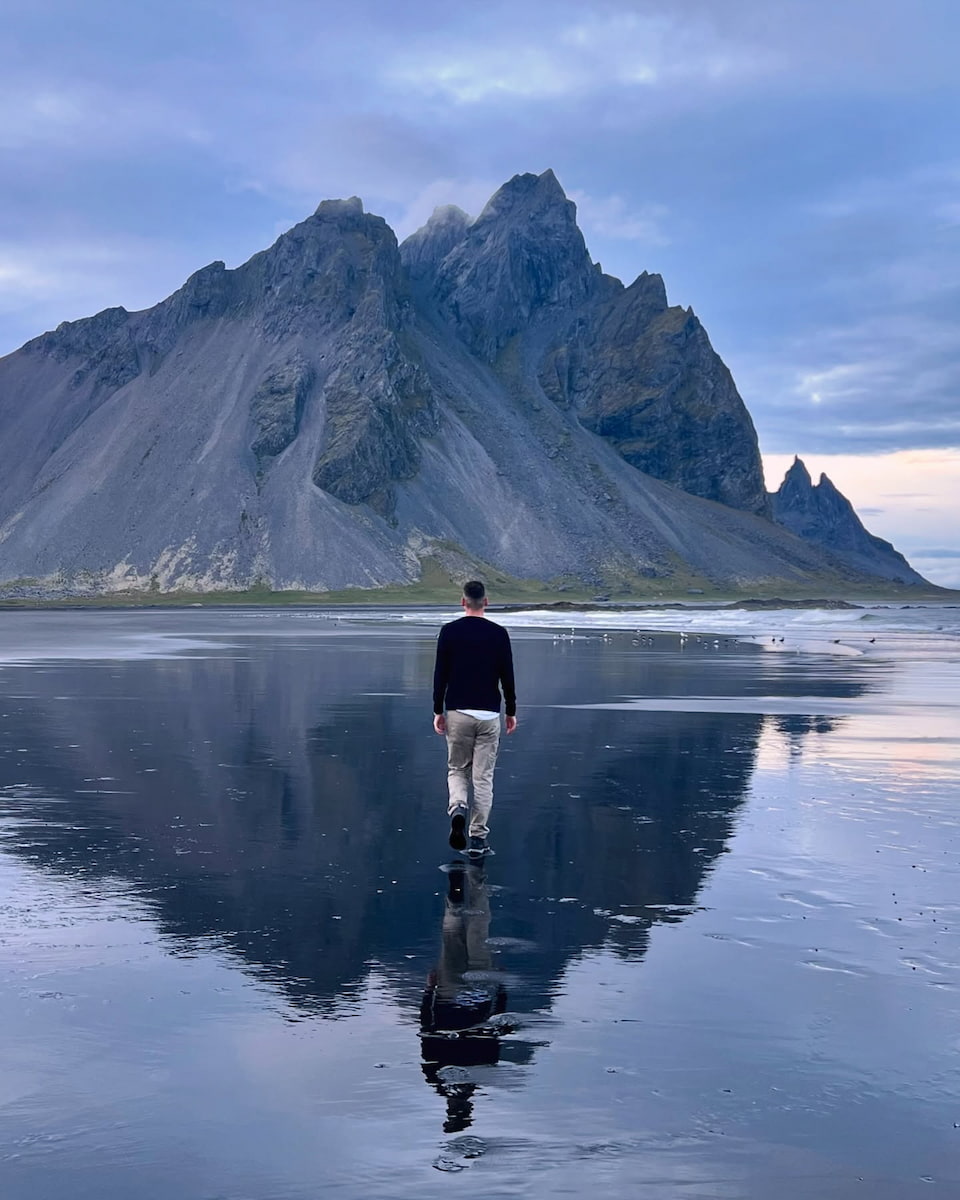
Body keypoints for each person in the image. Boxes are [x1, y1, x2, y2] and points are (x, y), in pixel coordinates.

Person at [432, 580, 517, 855]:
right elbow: (508, 677)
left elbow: (440, 676)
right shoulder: (499, 634)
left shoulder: (449, 632)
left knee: (457, 769)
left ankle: (458, 807)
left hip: (458, 711)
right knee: (483, 778)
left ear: (463, 602)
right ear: (486, 602)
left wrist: (437, 710)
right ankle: (478, 837)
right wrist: (511, 710)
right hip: (489, 714)